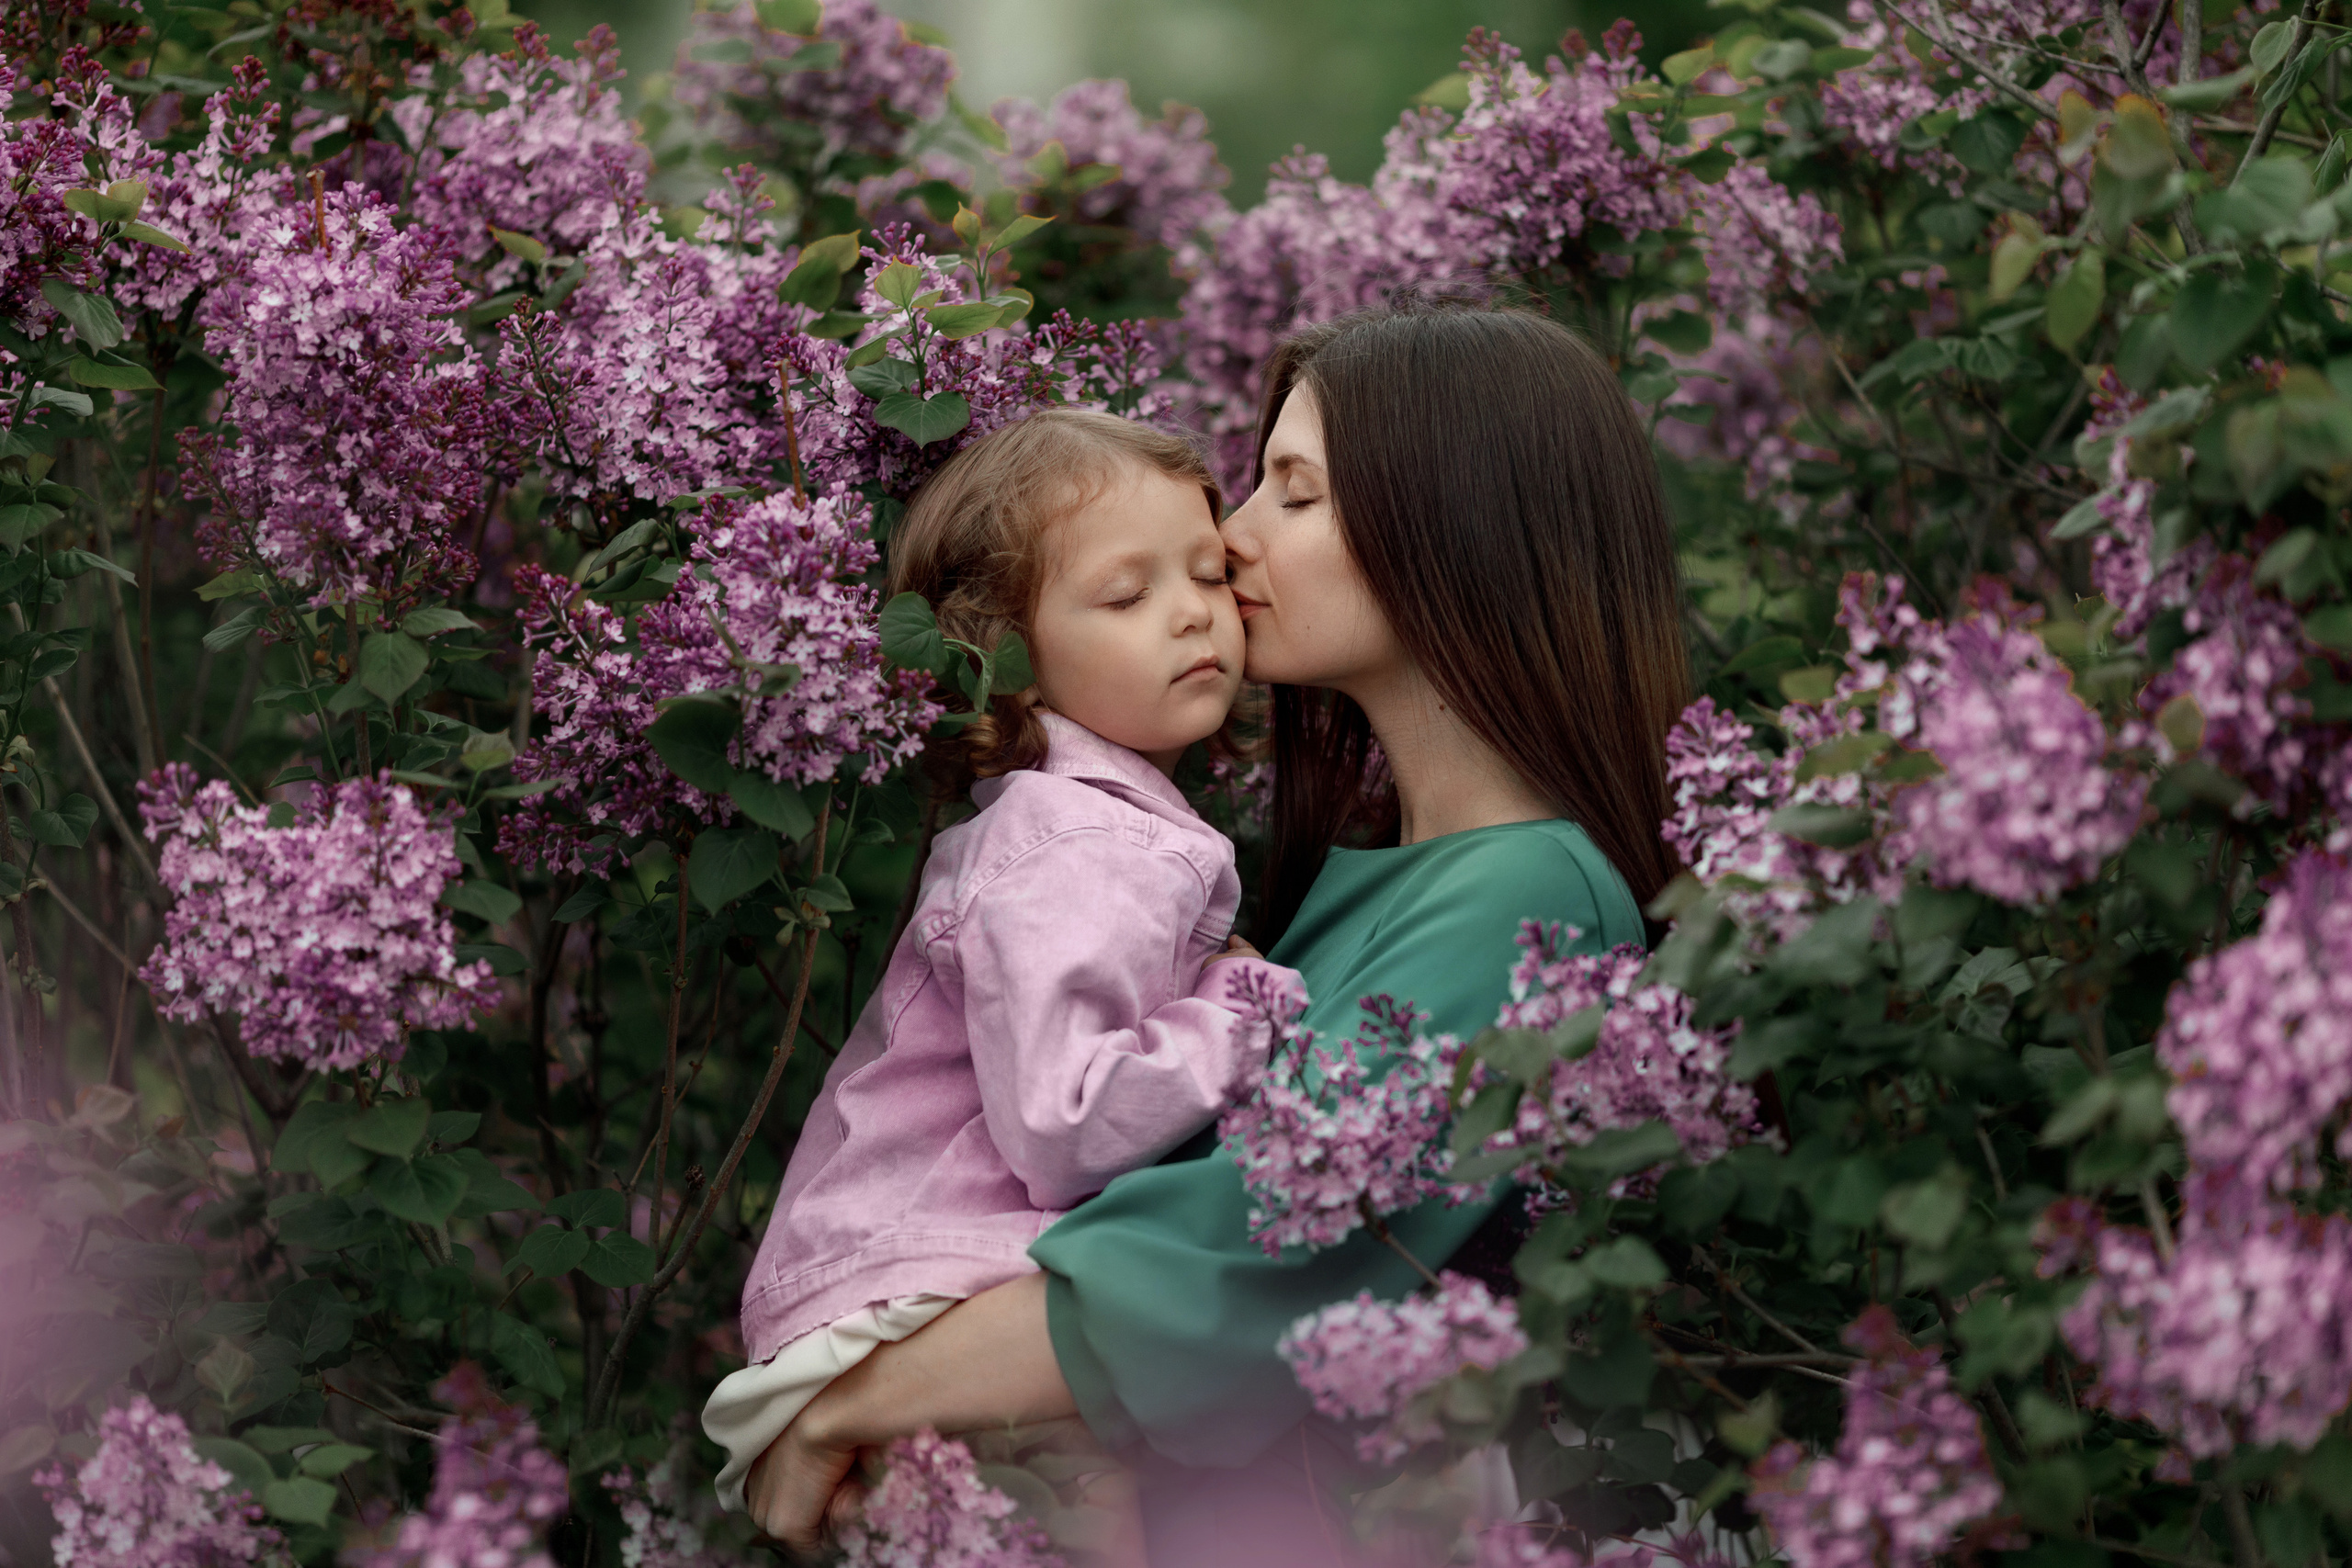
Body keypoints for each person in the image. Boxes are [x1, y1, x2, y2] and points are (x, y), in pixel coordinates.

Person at [746, 303, 1692, 1567]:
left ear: (1453, 528)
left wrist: (839, 1404)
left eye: (1292, 494)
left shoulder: (1526, 898)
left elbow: (1235, 1258)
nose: (1231, 537)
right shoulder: (1374, 885)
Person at [702, 408, 1301, 1563]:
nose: (1193, 612)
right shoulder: (1077, 845)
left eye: (1205, 572)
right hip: (929, 1295)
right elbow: (1064, 1124)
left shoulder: (1092, 825)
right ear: (1009, 660)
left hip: (904, 1284)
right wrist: (1245, 1013)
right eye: (1124, 595)